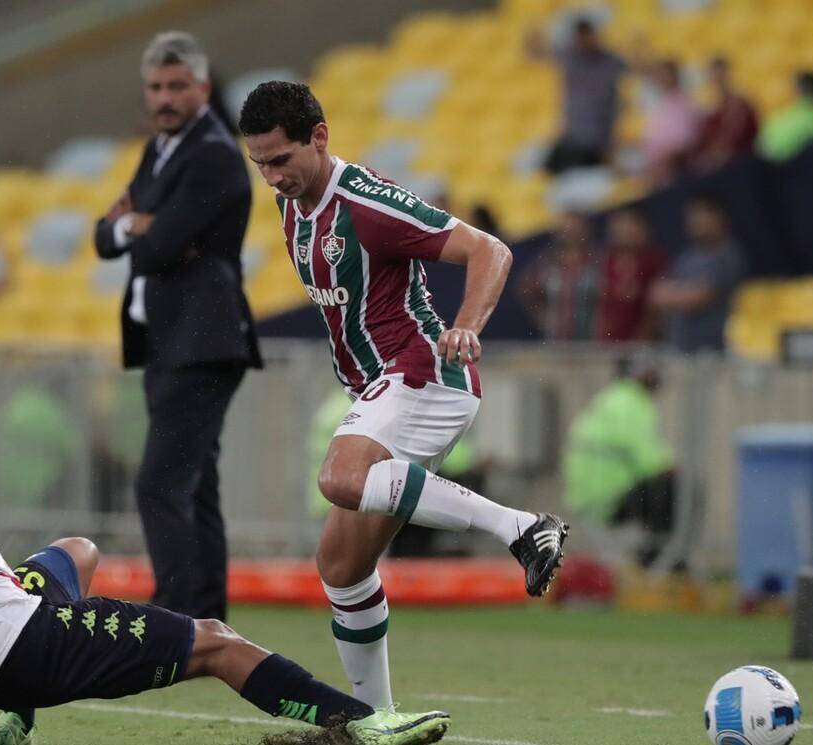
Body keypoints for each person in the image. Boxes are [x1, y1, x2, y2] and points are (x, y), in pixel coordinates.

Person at [0, 399, 451, 745]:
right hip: (30, 642)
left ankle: (18, 719)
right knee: (218, 641)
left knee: (76, 550)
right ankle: (362, 723)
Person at [239, 81, 567, 710]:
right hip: (382, 387)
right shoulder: (292, 204)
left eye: (281, 159)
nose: (273, 176)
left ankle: (522, 527)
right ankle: (377, 719)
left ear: (319, 137)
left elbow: (490, 250)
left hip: (423, 374)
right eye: (260, 164)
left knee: (340, 477)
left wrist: (466, 324)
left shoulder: (365, 203)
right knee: (341, 567)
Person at [93, 31, 262, 622]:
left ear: (203, 88)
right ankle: (204, 621)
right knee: (195, 487)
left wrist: (142, 226)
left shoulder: (213, 152)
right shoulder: (159, 150)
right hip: (172, 341)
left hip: (202, 340)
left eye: (176, 86)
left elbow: (159, 243)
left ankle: (172, 622)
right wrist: (135, 225)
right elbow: (105, 236)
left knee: (159, 484)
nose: (164, 98)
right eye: (156, 87)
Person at [562, 355, 675, 567]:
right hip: (609, 496)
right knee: (674, 490)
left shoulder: (612, 398)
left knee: (665, 488)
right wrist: (670, 467)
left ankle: (656, 557)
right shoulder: (631, 402)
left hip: (589, 494)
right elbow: (647, 457)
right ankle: (659, 560)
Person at [526, 17, 628, 174]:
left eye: (586, 37)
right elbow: (535, 53)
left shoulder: (611, 61)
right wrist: (533, 31)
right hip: (571, 135)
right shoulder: (569, 56)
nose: (582, 43)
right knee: (544, 171)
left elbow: (639, 72)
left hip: (596, 141)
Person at [649, 196, 747, 353]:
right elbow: (656, 294)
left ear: (720, 218)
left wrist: (675, 295)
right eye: (693, 215)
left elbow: (701, 296)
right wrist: (684, 293)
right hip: (678, 347)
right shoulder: (686, 256)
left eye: (703, 215)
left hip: (712, 351)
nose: (697, 221)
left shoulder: (727, 253)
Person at [517, 210, 602, 341]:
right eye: (565, 229)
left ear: (586, 230)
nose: (569, 233)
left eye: (574, 228)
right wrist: (541, 316)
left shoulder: (598, 260)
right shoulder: (546, 261)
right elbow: (525, 288)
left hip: (592, 340)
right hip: (555, 339)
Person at [596, 209, 666, 342]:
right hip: (605, 341)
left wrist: (646, 335)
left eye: (630, 226)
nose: (625, 231)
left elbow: (656, 307)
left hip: (642, 342)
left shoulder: (653, 262)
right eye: (620, 226)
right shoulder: (603, 261)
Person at [689, 57, 759, 173]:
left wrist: (711, 159)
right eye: (712, 75)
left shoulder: (738, 105)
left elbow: (732, 138)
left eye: (719, 74)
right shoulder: (710, 106)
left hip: (738, 162)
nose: (716, 79)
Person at [640, 58, 701, 186]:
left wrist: (663, 164)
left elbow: (685, 142)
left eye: (665, 74)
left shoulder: (686, 104)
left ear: (675, 76)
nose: (661, 79)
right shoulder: (658, 104)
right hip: (654, 166)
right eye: (659, 75)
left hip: (674, 169)